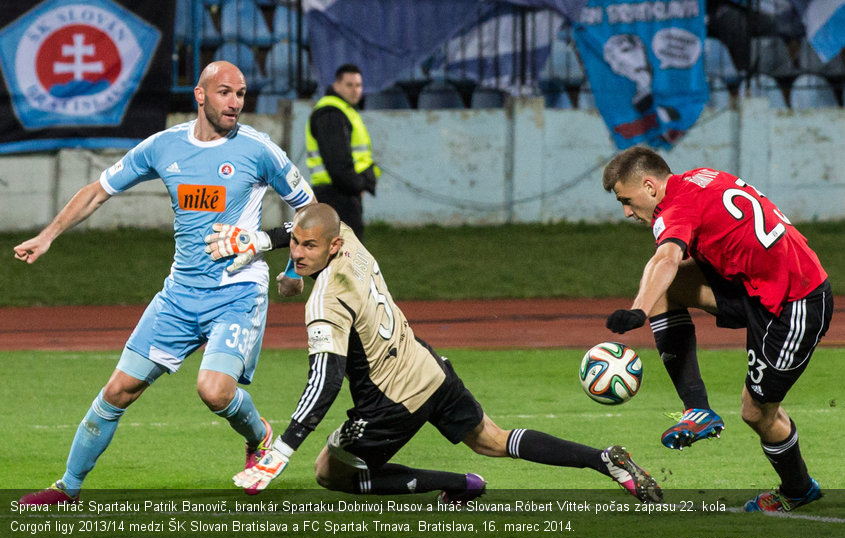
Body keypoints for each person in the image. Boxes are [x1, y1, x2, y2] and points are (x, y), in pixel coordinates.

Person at [210, 204, 662, 504]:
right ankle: (603, 460)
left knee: (330, 472)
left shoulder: (325, 302)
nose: (300, 251)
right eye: (296, 246)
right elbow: (303, 224)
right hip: (428, 367)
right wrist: (265, 243)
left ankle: (454, 484)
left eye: (309, 247)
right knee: (494, 441)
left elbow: (324, 382)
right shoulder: (345, 234)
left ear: (330, 247)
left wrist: (282, 449)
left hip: (390, 399)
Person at [14, 61, 315, 504]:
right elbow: (99, 190)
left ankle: (259, 435)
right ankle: (67, 488)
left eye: (241, 94)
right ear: (200, 95)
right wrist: (47, 236)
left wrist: (290, 267)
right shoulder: (163, 147)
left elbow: (314, 215)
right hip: (179, 294)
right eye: (225, 92)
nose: (235, 102)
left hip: (236, 291)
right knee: (118, 390)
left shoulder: (258, 149)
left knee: (213, 391)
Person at [602, 146, 832, 512]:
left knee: (756, 412)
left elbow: (667, 257)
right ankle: (697, 409)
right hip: (756, 289)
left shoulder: (672, 209)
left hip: (795, 303)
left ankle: (798, 489)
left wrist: (638, 311)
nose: (627, 212)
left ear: (649, 186)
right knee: (668, 288)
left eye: (626, 200)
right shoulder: (698, 177)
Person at [305, 63, 380, 240]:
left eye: (358, 85)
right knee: (344, 258)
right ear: (336, 85)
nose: (355, 90)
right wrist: (358, 184)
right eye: (349, 85)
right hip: (337, 195)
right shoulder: (332, 113)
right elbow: (337, 162)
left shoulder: (342, 110)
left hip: (339, 193)